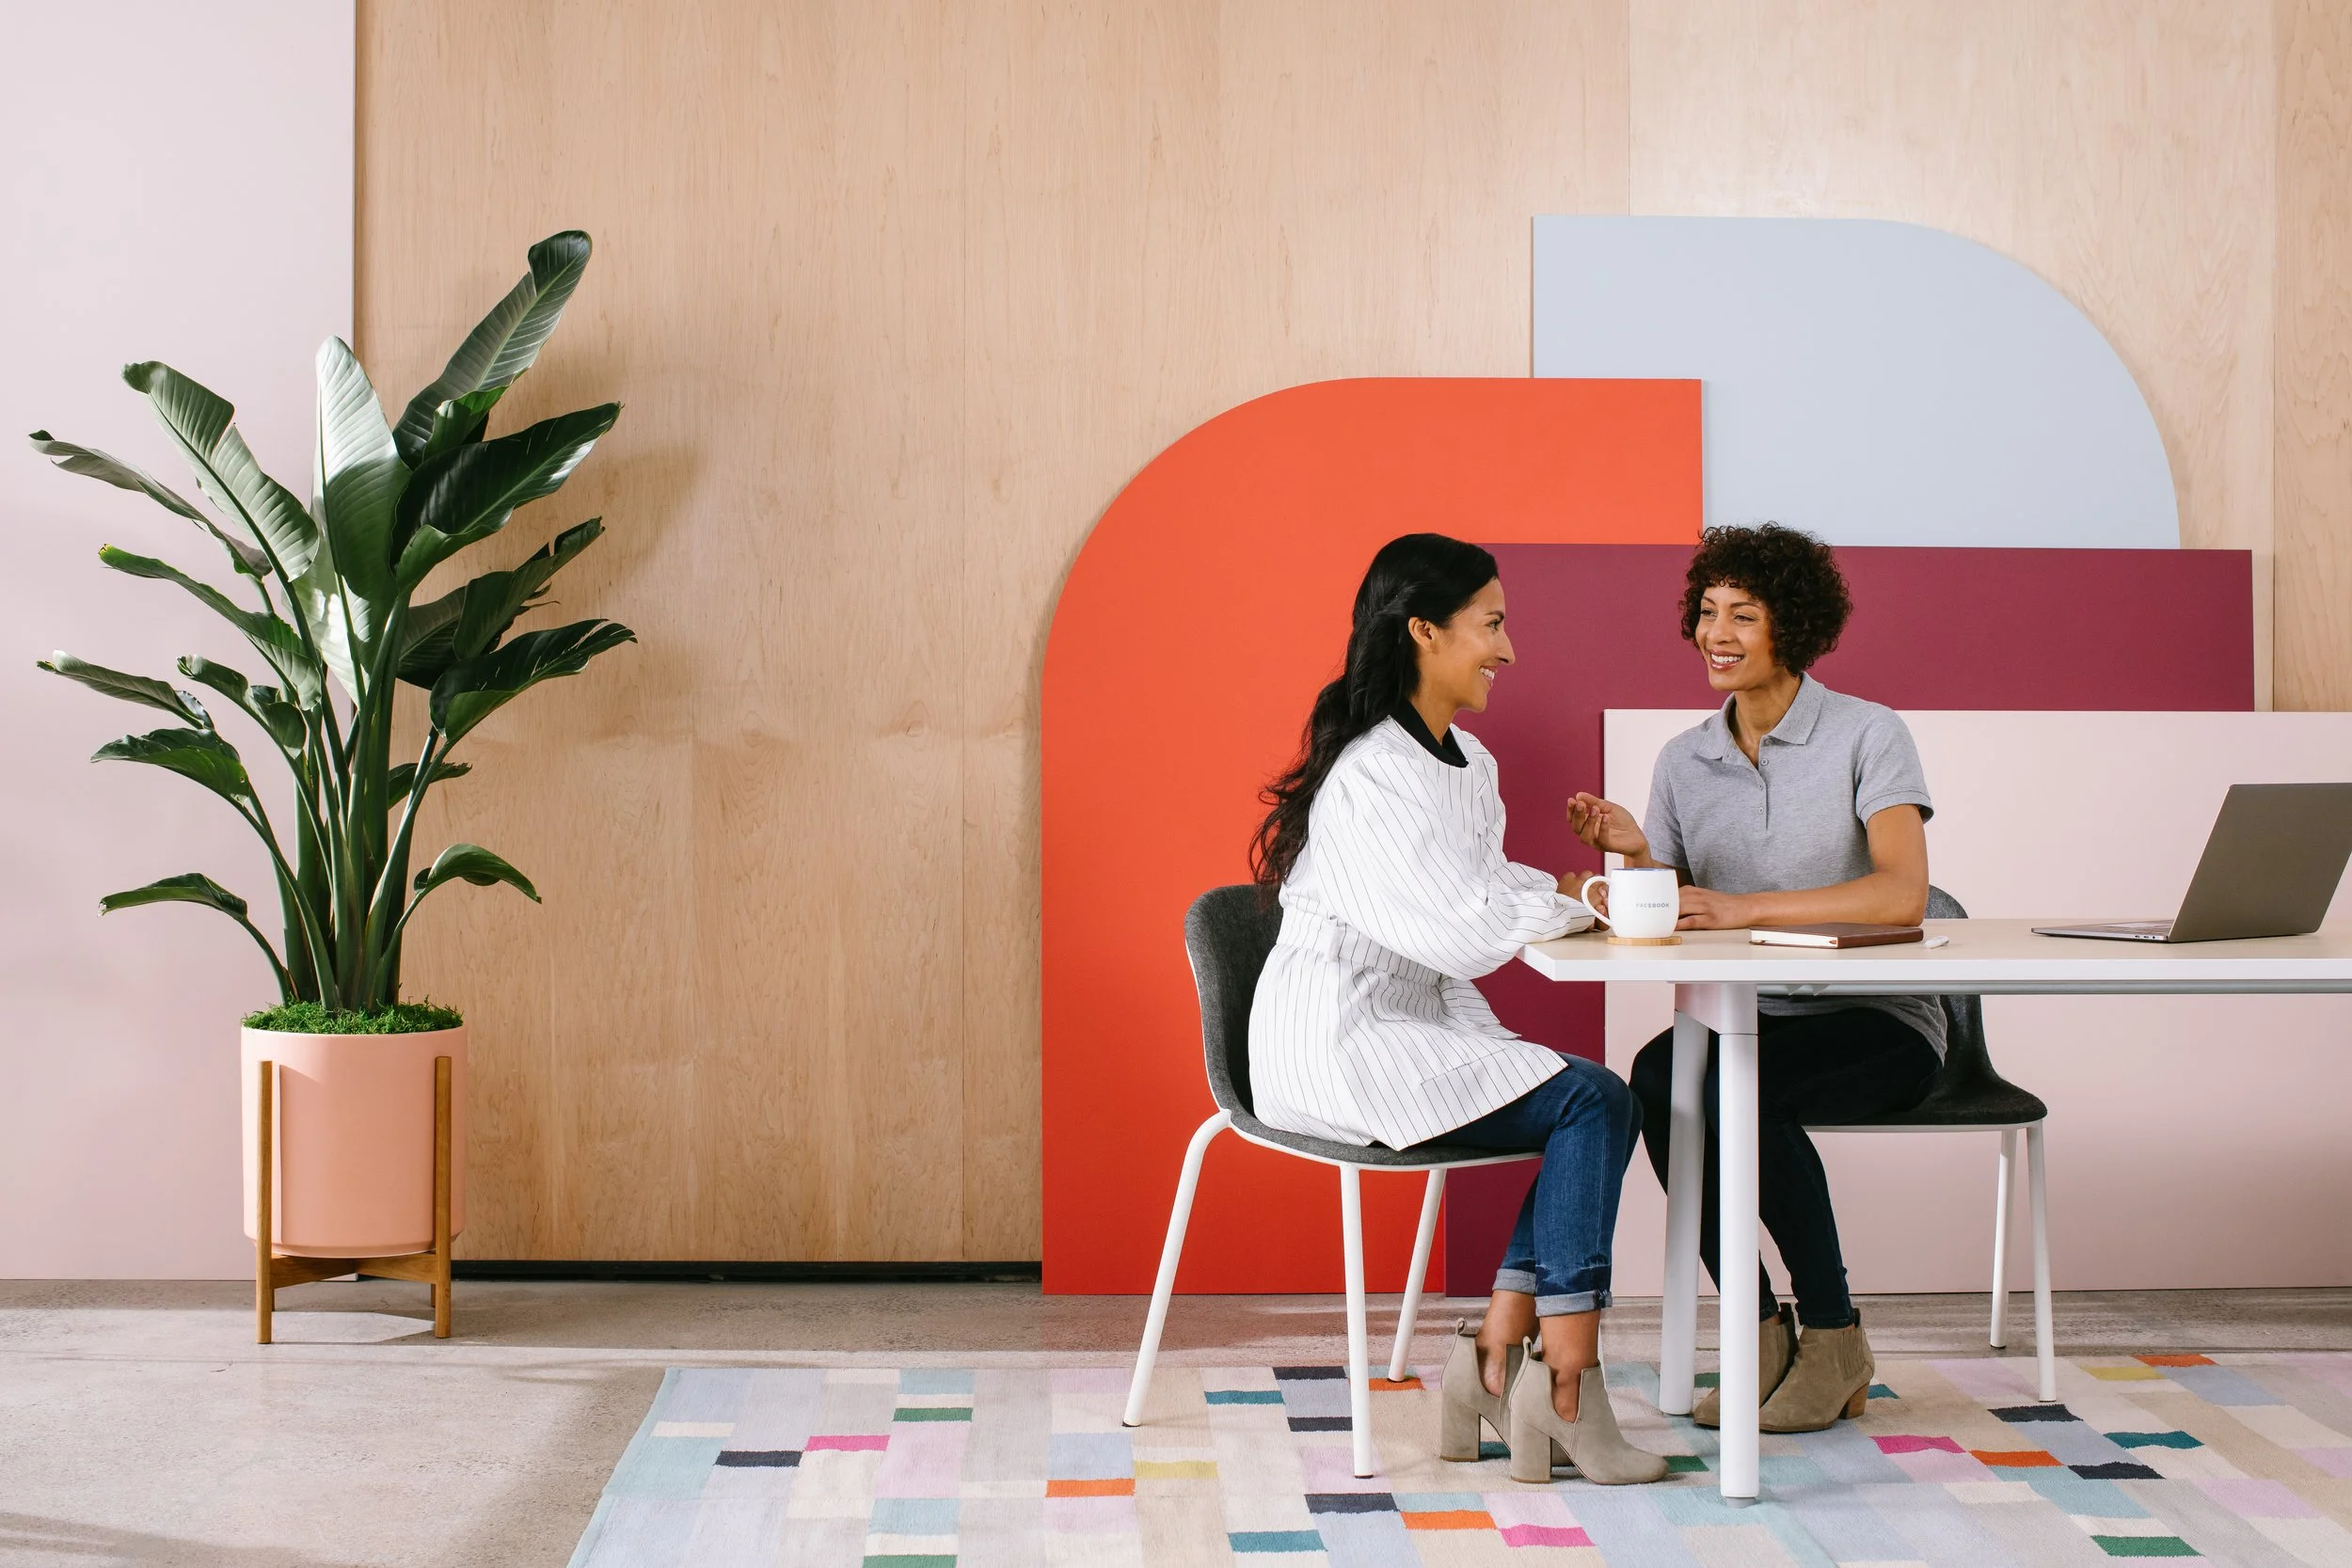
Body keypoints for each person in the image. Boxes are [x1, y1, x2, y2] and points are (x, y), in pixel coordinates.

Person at [1249, 532, 1665, 1485]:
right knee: (1593, 1100)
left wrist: (1577, 892)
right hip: (1337, 1039)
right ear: (1424, 631)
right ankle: (1561, 1386)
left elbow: (1484, 892)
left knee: (1596, 1101)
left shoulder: (1466, 763)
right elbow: (1460, 927)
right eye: (1492, 624)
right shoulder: (1370, 776)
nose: (1508, 650)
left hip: (1414, 1022)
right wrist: (1569, 897)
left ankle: (1495, 1360)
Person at [1568, 522, 1941, 1433]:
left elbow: (1901, 893)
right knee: (1659, 1082)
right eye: (1705, 611)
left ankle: (1832, 1330)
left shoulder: (1866, 732)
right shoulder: (1681, 758)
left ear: (1794, 626)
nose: (1714, 632)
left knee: (1743, 1094)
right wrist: (1637, 853)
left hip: (1878, 1018)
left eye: (1742, 613)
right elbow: (1675, 911)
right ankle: (1759, 1329)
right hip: (1747, 1013)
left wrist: (1743, 907)